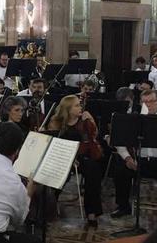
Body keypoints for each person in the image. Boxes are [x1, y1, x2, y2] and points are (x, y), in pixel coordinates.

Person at [46, 95, 103, 227]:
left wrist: (91, 120)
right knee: (59, 174)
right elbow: (55, 145)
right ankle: (49, 207)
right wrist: (70, 159)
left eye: (80, 104)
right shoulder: (56, 122)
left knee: (93, 169)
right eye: (77, 105)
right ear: (68, 109)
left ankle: (92, 212)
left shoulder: (84, 121)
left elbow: (93, 136)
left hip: (82, 157)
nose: (80, 107)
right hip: (62, 157)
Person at [111, 89, 157, 218]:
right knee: (121, 169)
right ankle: (123, 207)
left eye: (151, 101)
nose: (148, 105)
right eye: (144, 102)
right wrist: (128, 158)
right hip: (138, 161)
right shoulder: (132, 119)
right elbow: (119, 142)